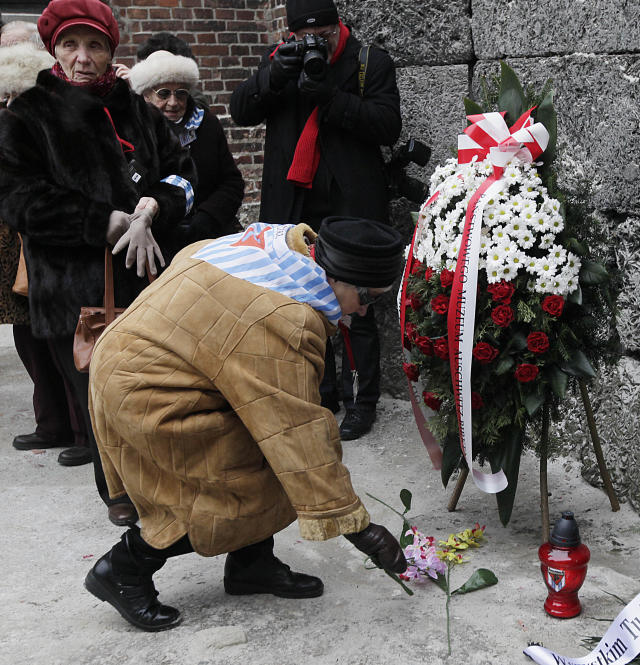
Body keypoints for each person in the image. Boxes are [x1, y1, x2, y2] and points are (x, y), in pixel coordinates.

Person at [84, 218, 408, 631]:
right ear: (333, 275)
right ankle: (122, 568)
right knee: (219, 489)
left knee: (267, 459)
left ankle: (251, 564)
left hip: (140, 357)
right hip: (150, 388)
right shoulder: (283, 317)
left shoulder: (280, 249)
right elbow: (298, 435)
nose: (363, 310)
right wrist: (360, 529)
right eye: (366, 298)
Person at [0, 0, 196, 527]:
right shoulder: (28, 116)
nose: (83, 57)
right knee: (100, 400)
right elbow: (18, 199)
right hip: (73, 292)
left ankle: (167, 484)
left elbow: (183, 175)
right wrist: (100, 221)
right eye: (71, 45)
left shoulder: (140, 109)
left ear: (112, 50)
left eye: (95, 45)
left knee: (158, 393)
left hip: (151, 283)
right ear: (54, 50)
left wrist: (154, 206)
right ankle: (122, 496)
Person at [229, 0, 402, 441]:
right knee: (299, 303)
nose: (315, 45)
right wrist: (275, 76)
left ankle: (362, 401)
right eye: (305, 38)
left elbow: (387, 126)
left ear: (338, 26)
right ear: (289, 37)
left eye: (324, 36)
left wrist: (332, 98)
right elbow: (240, 110)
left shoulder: (368, 62)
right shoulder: (280, 62)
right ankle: (319, 393)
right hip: (293, 202)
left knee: (356, 307)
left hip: (351, 202)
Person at [0, 21, 91, 458]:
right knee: (27, 329)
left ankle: (81, 430)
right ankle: (52, 420)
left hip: (47, 229)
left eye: (16, 48)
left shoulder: (57, 99)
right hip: (11, 232)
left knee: (62, 328)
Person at [129, 47, 243, 256]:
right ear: (146, 94)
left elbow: (232, 182)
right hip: (157, 242)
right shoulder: (134, 132)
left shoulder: (207, 124)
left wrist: (207, 218)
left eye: (180, 93)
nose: (173, 102)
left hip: (211, 235)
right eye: (163, 93)